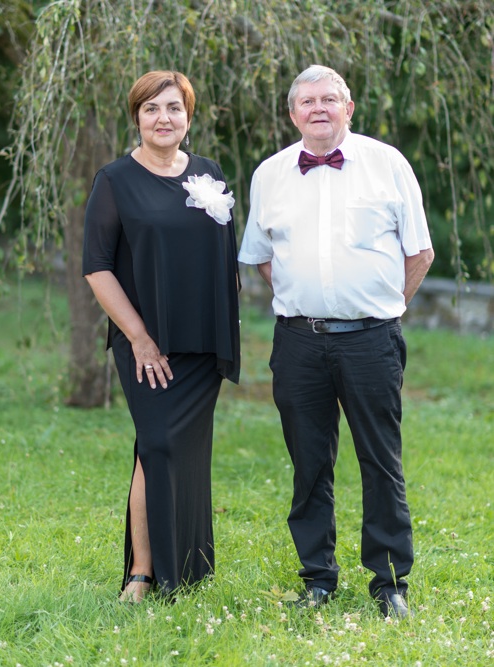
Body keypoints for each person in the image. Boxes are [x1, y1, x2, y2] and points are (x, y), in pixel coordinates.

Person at [238, 65, 434, 617]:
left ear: (349, 108)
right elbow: (261, 258)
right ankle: (317, 579)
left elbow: (420, 253)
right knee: (308, 464)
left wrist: (383, 310)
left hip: (372, 340)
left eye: (329, 99)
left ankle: (390, 582)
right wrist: (309, 306)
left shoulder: (387, 164)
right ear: (292, 113)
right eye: (306, 101)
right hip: (298, 343)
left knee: (381, 460)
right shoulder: (271, 174)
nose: (317, 108)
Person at [82, 70, 240, 603]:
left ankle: (189, 568)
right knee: (156, 443)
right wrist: (140, 338)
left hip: (201, 341)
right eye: (151, 109)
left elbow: (224, 257)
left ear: (188, 116)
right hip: (146, 344)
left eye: (173, 107)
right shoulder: (115, 180)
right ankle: (143, 573)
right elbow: (98, 268)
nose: (163, 118)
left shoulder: (209, 173)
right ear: (137, 118)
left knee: (182, 449)